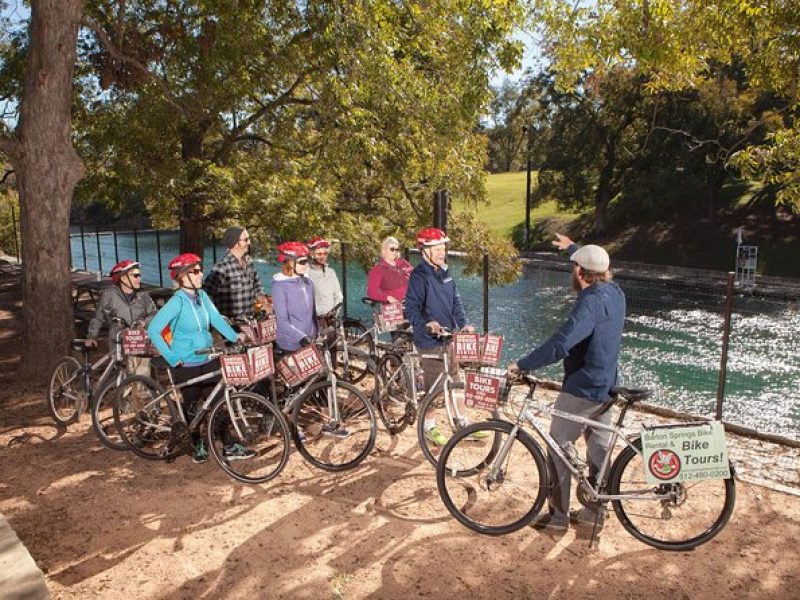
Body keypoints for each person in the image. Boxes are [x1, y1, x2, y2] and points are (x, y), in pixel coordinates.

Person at [508, 233, 626, 532]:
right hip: (607, 384)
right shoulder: (615, 292)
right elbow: (593, 263)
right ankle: (595, 510)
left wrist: (523, 364)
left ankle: (558, 517)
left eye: (574, 267)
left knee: (557, 443)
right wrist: (574, 249)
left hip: (583, 386)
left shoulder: (589, 303)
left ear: (578, 272)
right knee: (599, 447)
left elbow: (562, 343)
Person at [147, 253, 251, 463]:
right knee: (192, 407)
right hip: (186, 362)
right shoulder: (177, 302)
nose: (200, 273)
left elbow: (215, 319)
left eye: (200, 269)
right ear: (182, 277)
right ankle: (196, 445)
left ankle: (229, 445)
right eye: (194, 271)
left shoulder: (202, 296)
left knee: (218, 403)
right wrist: (171, 356)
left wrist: (235, 336)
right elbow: (154, 330)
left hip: (208, 356)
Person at [404, 227, 483, 446]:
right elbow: (410, 309)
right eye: (437, 249)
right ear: (424, 251)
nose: (442, 252)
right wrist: (425, 324)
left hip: (449, 338)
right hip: (430, 341)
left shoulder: (445, 273)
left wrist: (464, 324)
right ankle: (429, 427)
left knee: (456, 380)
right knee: (435, 388)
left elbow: (456, 302)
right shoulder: (419, 276)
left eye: (443, 248)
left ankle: (462, 422)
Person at [86, 260, 157, 376]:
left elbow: (155, 314)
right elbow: (98, 318)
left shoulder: (143, 295)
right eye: (135, 275)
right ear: (123, 278)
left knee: (141, 376)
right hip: (118, 341)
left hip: (138, 340)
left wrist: (144, 322)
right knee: (121, 375)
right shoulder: (109, 294)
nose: (139, 278)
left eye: (139, 275)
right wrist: (91, 336)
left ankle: (138, 392)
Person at [203, 225, 269, 322]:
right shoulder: (221, 267)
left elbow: (257, 285)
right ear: (234, 242)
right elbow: (203, 295)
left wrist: (263, 300)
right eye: (246, 240)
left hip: (251, 322)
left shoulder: (249, 261)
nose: (249, 242)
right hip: (232, 328)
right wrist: (216, 318)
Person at [271, 242, 318, 352]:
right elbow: (282, 321)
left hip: (310, 340)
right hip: (291, 344)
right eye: (303, 262)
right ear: (290, 263)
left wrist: (316, 332)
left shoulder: (309, 283)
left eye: (308, 260)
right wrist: (301, 337)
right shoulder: (279, 286)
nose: (307, 265)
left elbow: (312, 315)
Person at [366, 236, 412, 304]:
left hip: (412, 303)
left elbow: (417, 277)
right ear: (384, 250)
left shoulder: (404, 263)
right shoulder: (378, 270)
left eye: (397, 249)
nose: (395, 252)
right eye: (392, 249)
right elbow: (372, 292)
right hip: (394, 308)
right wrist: (387, 297)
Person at [305, 236, 343, 316]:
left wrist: (334, 312)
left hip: (332, 319)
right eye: (319, 254)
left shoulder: (331, 272)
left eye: (325, 254)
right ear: (312, 254)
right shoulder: (306, 273)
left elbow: (338, 295)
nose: (323, 257)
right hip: (315, 319)